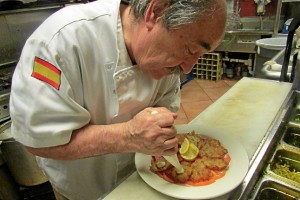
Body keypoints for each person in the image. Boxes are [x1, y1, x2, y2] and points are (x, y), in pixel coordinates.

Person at [9, 0, 227, 199]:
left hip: (143, 184)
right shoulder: (62, 40)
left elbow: (164, 110)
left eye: (200, 56)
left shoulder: (169, 62)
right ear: (157, 11)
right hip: (80, 191)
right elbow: (38, 141)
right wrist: (128, 135)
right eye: (190, 50)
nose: (188, 67)